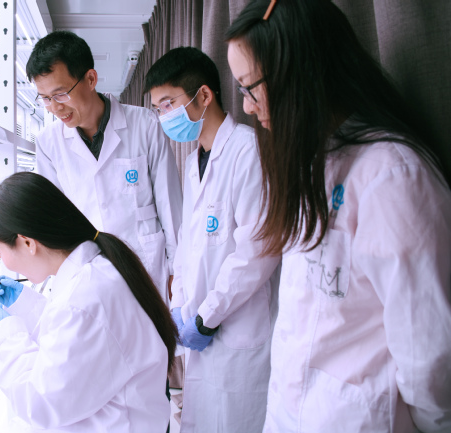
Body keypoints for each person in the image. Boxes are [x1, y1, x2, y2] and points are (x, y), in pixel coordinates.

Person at [225, 1, 451, 432]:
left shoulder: (391, 177)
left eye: (251, 88)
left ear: (300, 74)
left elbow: (431, 361)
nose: (248, 108)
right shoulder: (311, 165)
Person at [144, 46, 281, 433]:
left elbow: (257, 251)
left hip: (238, 331)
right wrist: (180, 305)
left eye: (168, 104)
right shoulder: (193, 163)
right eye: (157, 109)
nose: (164, 117)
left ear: (203, 95)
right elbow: (188, 247)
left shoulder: (249, 151)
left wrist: (207, 317)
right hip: (200, 327)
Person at [0, 172, 177, 432]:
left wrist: (6, 335)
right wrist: (26, 305)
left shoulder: (83, 299)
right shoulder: (95, 270)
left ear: (27, 242)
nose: (1, 261)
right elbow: (75, 341)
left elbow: (41, 403)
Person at [26, 31, 182, 304]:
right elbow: (54, 221)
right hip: (89, 275)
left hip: (147, 267)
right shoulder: (48, 143)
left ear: (90, 79)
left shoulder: (144, 124)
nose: (54, 108)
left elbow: (170, 206)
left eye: (60, 94)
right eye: (45, 98)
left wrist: (177, 274)